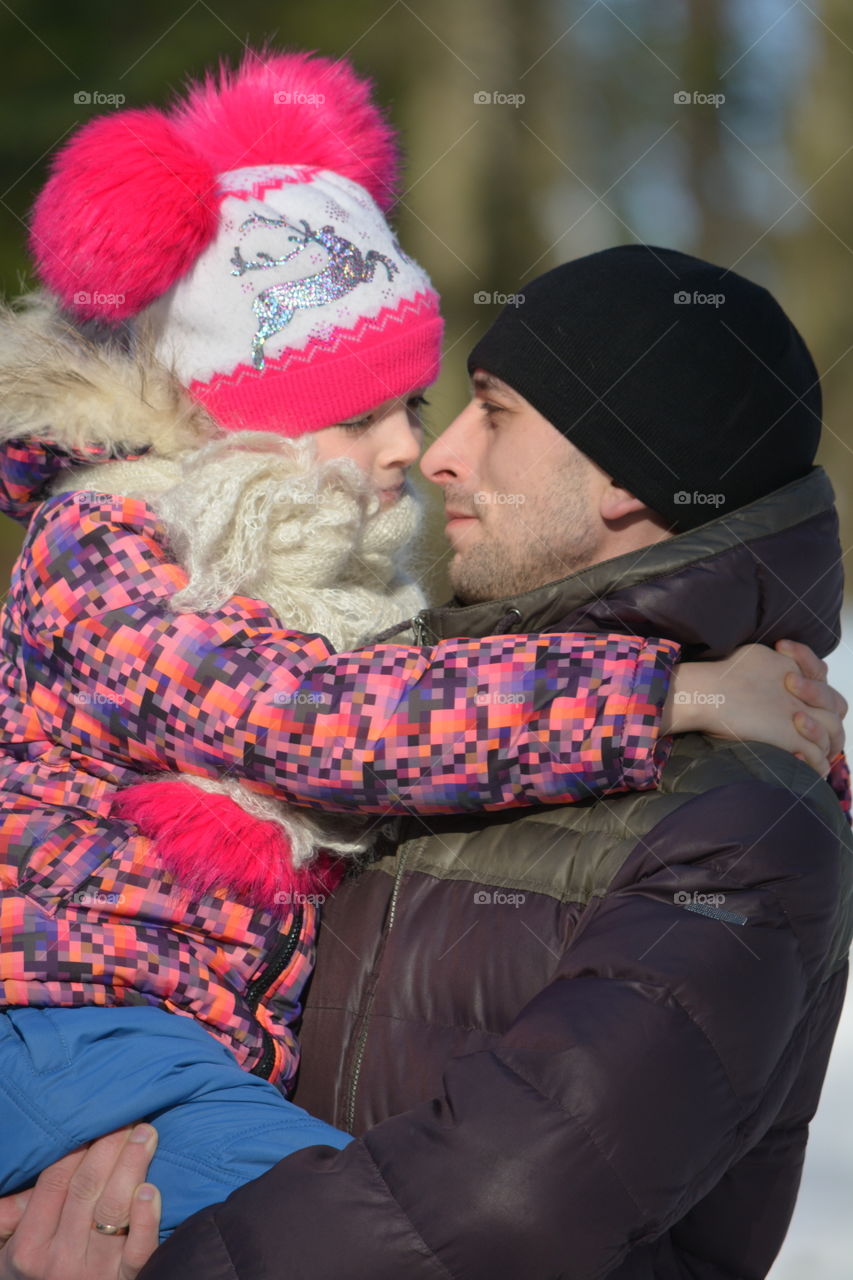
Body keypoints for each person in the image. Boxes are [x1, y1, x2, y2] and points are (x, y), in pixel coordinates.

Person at [1, 50, 837, 1256]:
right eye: (363, 414)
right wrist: (679, 690)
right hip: (76, 1027)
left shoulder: (742, 827)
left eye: (475, 410)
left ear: (621, 479)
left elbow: (493, 1205)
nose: (423, 452)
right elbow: (319, 719)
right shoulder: (122, 548)